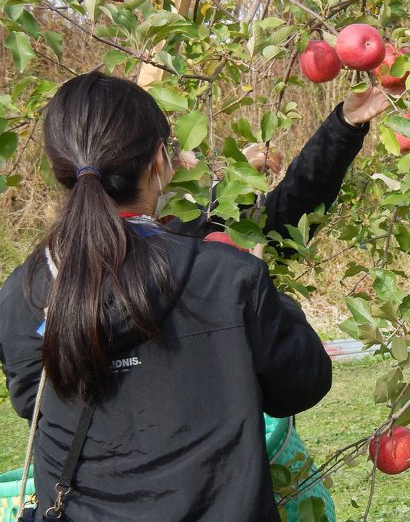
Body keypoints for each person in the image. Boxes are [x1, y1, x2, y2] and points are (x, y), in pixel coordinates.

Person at [0, 71, 388, 521]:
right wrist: (267, 293)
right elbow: (301, 383)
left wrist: (341, 128)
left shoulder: (22, 295)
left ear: (58, 170)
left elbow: (38, 407)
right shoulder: (222, 278)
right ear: (159, 163)